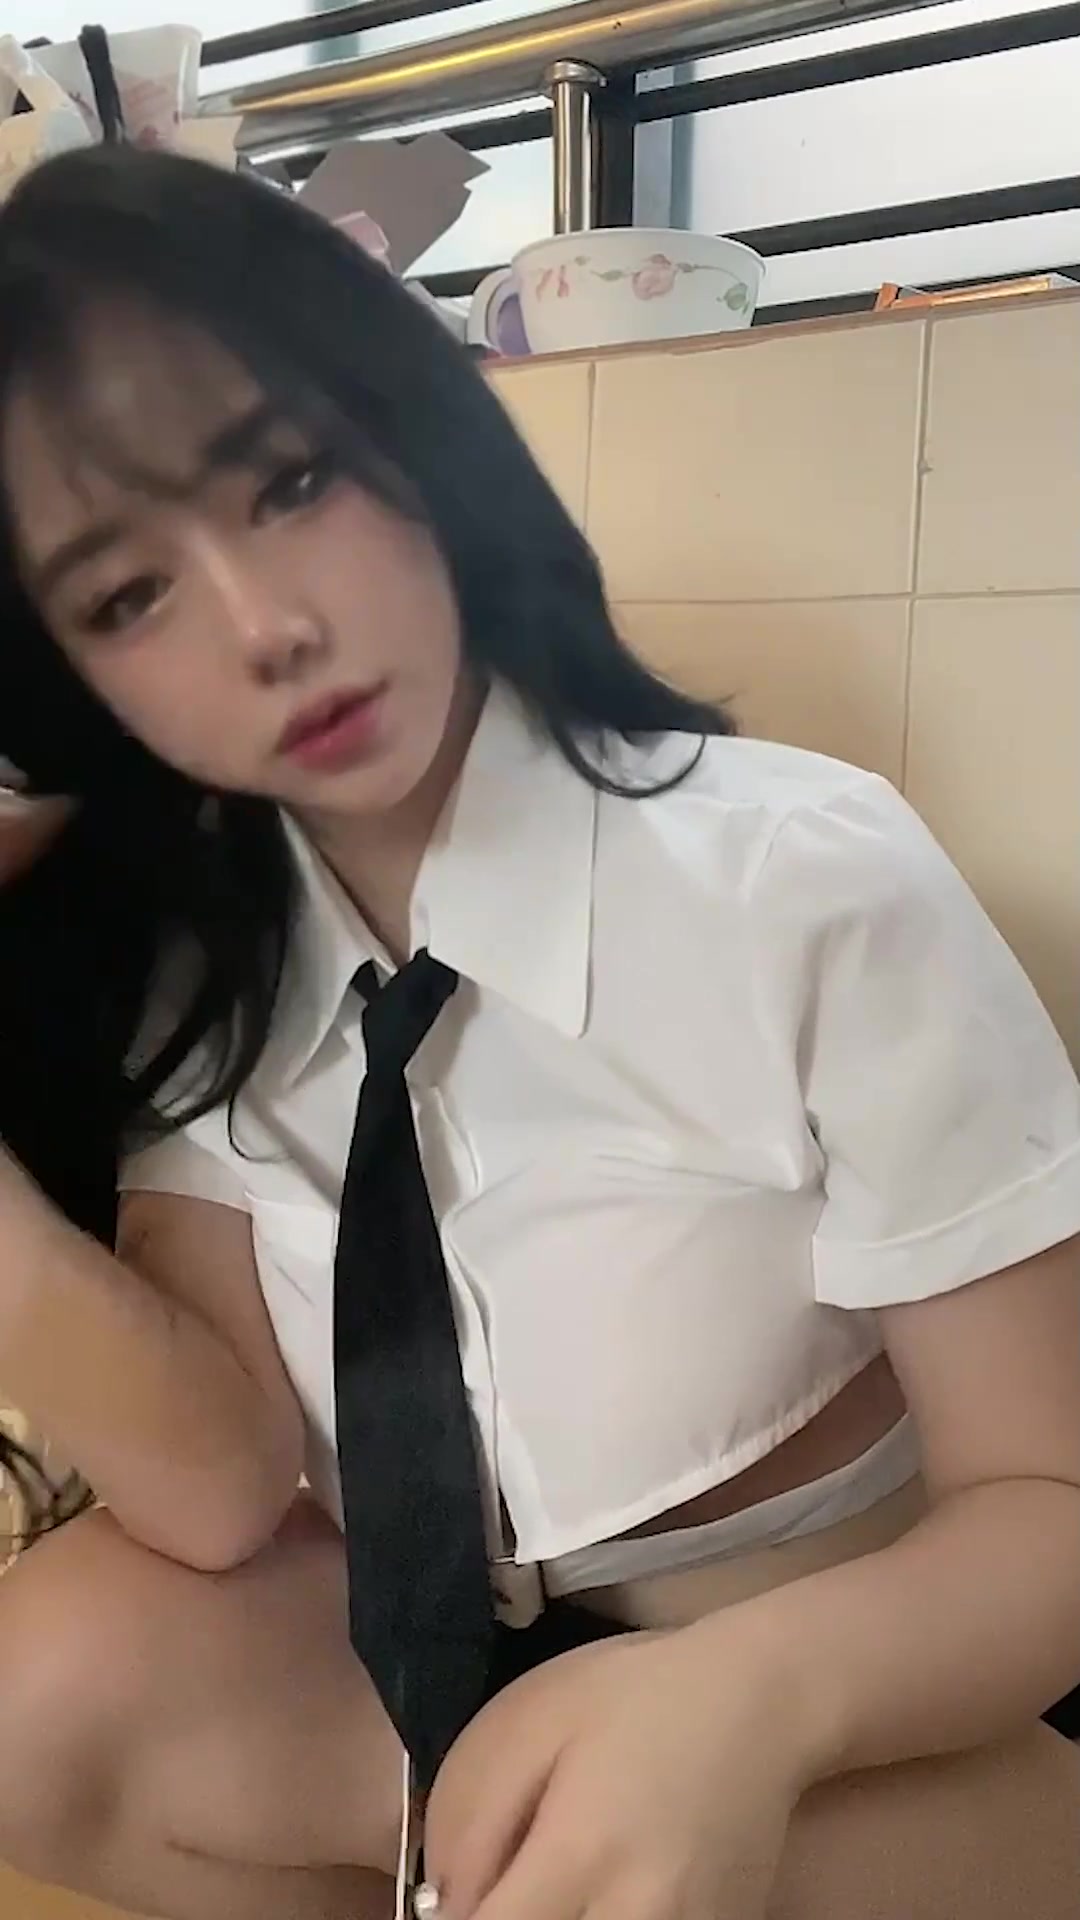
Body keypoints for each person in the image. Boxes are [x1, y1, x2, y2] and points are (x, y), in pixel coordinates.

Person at [0, 144, 1078, 1920]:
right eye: (128, 597)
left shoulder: (805, 880)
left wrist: (752, 1706)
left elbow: (1052, 1501)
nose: (270, 628)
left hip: (864, 1722)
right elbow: (212, 1498)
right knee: (44, 1693)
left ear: (413, 430)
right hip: (429, 1696)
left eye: (291, 480)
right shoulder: (209, 969)